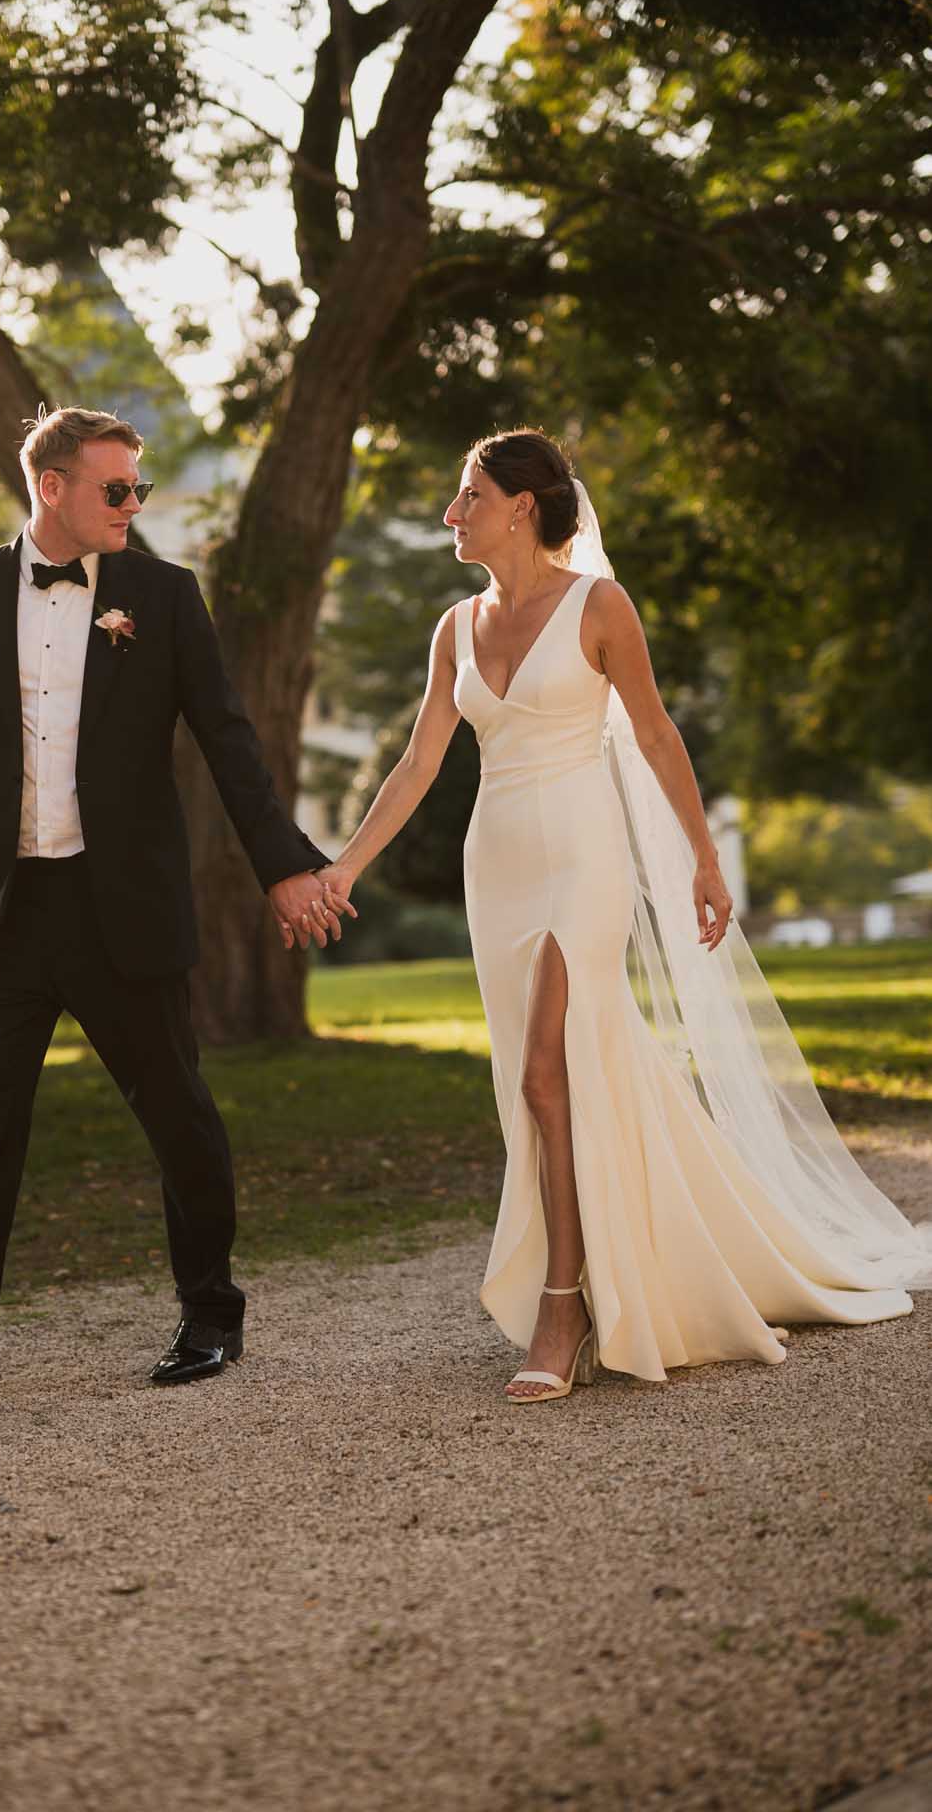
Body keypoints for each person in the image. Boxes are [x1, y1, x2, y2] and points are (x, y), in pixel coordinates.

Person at [319, 429, 931, 1403]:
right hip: (497, 865)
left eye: (469, 495)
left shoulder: (598, 606)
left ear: (521, 507)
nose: (451, 513)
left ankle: (562, 1305)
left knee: (545, 1069)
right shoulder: (454, 628)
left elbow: (652, 732)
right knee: (552, 1079)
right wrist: (344, 866)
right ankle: (635, 1258)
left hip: (582, 858)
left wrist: (702, 858)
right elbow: (418, 760)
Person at [0, 405, 348, 1408]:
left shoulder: (163, 596)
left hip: (120, 905)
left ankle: (210, 1314)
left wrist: (283, 865)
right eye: (115, 488)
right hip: (2, 911)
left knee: (176, 1115)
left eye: (138, 488)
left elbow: (227, 737)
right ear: (52, 486)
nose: (133, 504)